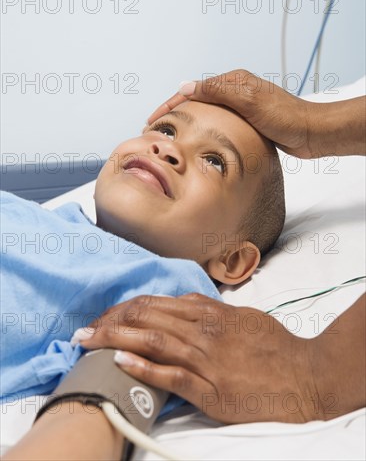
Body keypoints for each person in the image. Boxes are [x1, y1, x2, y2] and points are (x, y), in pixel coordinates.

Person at [3, 71, 365, 461]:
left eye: (214, 161)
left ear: (232, 259)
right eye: (167, 130)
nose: (167, 150)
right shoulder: (34, 215)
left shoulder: (166, 288)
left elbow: (102, 394)